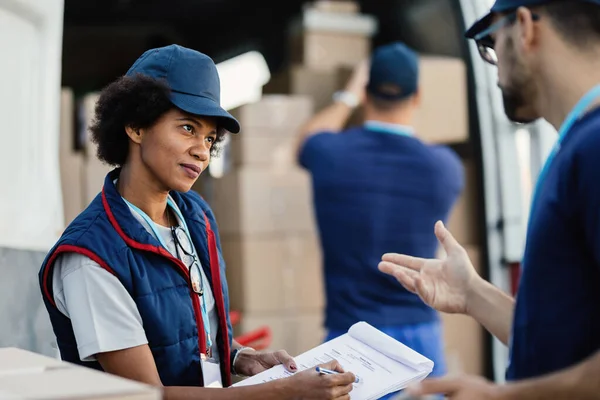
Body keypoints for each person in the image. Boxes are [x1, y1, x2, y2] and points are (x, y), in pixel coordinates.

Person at [38, 44, 356, 400]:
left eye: (209, 137)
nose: (203, 150)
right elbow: (148, 396)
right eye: (187, 128)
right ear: (135, 126)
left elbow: (191, 336)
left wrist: (241, 357)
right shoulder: (90, 258)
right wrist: (287, 392)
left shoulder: (195, 214)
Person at [379, 0, 600, 398]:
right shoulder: (579, 145)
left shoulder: (595, 148)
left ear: (523, 27)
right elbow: (563, 345)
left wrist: (502, 396)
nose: (494, 66)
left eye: (490, 43)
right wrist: (472, 294)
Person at [294, 41, 465, 398]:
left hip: (350, 339)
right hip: (421, 341)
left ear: (366, 92)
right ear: (416, 96)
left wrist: (346, 96)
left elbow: (304, 140)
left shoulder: (329, 153)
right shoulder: (445, 167)